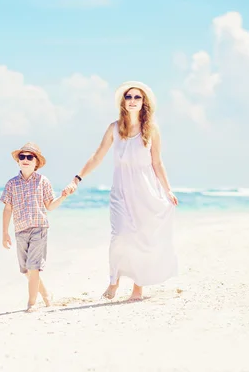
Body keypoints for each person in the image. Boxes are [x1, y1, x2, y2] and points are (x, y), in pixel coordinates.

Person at [63, 81, 179, 301]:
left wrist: (168, 190)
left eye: (137, 97)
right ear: (123, 102)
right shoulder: (114, 128)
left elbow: (157, 163)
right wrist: (77, 178)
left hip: (146, 191)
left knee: (143, 238)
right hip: (121, 192)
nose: (133, 101)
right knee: (120, 236)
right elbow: (98, 156)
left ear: (144, 103)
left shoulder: (152, 130)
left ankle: (138, 289)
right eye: (129, 97)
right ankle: (114, 281)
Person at [0, 142, 68, 312]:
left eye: (30, 157)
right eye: (22, 157)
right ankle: (46, 295)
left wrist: (63, 197)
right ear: (18, 161)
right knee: (26, 270)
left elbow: (50, 206)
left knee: (33, 267)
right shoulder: (11, 184)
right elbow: (8, 208)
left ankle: (31, 303)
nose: (25, 159)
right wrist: (4, 233)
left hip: (39, 228)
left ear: (36, 162)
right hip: (20, 230)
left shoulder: (43, 181)